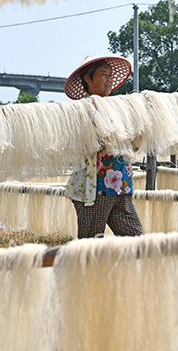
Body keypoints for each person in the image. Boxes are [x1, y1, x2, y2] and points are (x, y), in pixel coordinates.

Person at [63, 55, 144, 239]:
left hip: (121, 187)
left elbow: (132, 143)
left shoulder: (118, 108)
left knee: (136, 241)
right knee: (90, 245)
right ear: (88, 79)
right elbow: (88, 145)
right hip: (95, 190)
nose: (109, 79)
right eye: (103, 74)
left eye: (110, 75)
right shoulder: (82, 110)